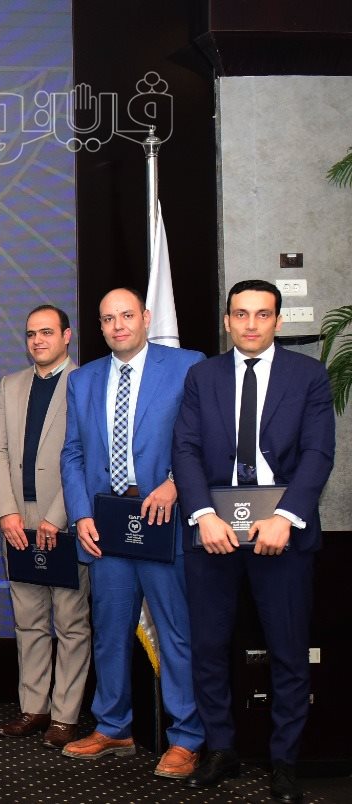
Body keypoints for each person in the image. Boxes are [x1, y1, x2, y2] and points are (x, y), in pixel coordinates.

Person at [175, 280, 335, 802]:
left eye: (262, 314)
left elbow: (318, 453)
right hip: (213, 534)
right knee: (208, 649)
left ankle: (285, 761)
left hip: (281, 536)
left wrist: (286, 516)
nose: (250, 323)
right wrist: (203, 515)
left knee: (288, 652)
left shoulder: (308, 376)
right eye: (240, 314)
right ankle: (221, 750)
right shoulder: (202, 376)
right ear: (227, 321)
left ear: (278, 321)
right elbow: (185, 449)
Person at [60, 288, 205, 779]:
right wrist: (81, 515)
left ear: (145, 317)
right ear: (100, 327)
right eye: (108, 319)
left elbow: (202, 438)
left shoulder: (187, 366)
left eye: (126, 315)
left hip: (164, 520)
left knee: (175, 632)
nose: (118, 325)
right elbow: (73, 453)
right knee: (110, 632)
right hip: (107, 526)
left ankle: (186, 738)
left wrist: (175, 483)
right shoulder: (83, 379)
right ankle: (113, 726)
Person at [0, 305, 90, 748]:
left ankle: (65, 716)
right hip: (18, 521)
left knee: (70, 622)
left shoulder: (86, 381)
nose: (38, 341)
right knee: (28, 620)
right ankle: (34, 708)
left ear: (67, 336)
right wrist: (6, 512)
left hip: (65, 517)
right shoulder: (10, 385)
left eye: (47, 332)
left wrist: (57, 516)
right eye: (31, 334)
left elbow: (87, 455)